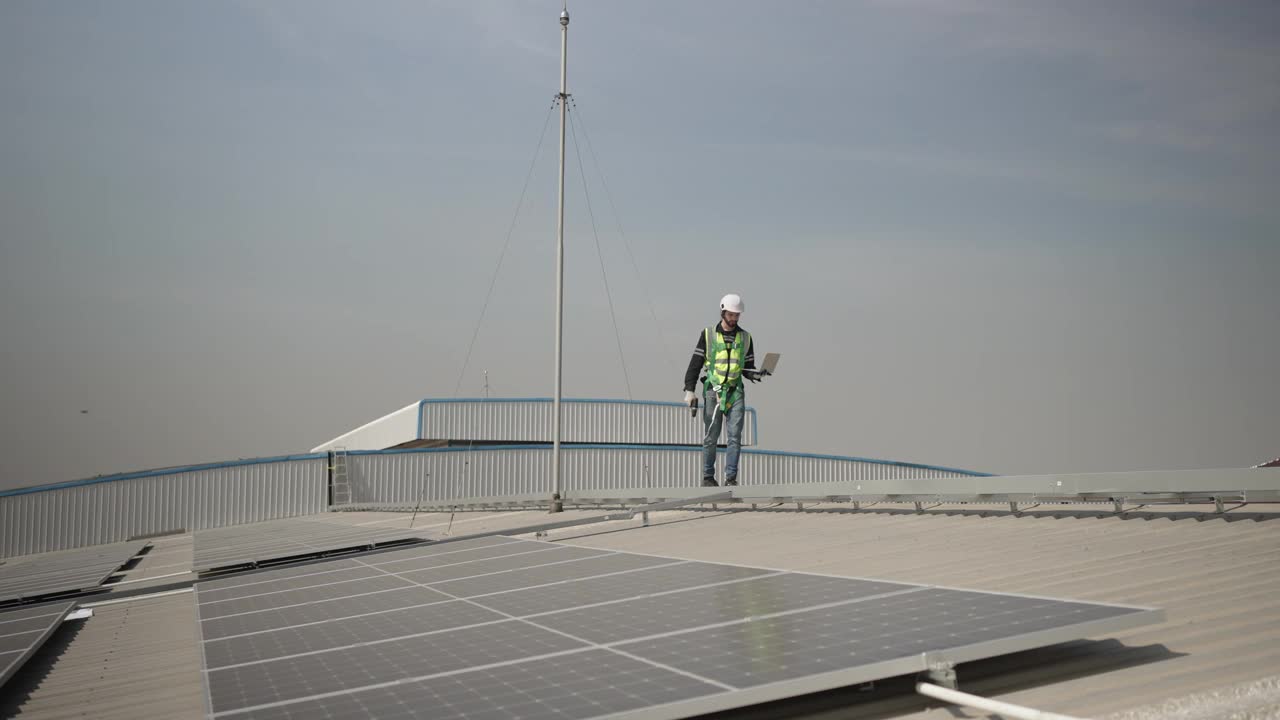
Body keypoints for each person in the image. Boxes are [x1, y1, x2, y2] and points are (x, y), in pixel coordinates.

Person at [683, 294, 763, 487]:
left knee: (735, 436)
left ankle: (731, 478)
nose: (734, 318)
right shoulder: (708, 334)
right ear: (723, 311)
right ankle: (708, 476)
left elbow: (746, 366)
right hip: (714, 389)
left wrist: (755, 374)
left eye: (737, 315)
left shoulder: (746, 337)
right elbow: (695, 363)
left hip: (735, 391)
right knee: (712, 435)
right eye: (731, 314)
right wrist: (689, 389)